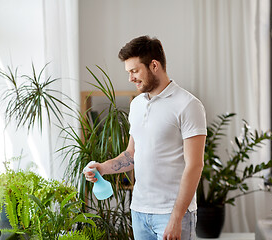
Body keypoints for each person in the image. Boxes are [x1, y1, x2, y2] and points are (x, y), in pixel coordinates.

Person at [83, 35, 206, 240]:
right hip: (139, 211)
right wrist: (102, 168)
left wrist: (176, 217)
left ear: (154, 65)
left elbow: (195, 165)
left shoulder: (188, 105)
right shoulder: (137, 104)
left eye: (134, 71)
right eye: (128, 72)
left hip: (172, 214)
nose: (130, 78)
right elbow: (132, 154)